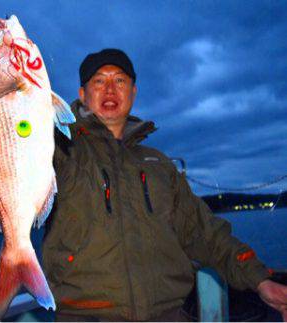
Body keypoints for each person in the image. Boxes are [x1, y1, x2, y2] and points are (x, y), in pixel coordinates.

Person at [42, 48, 287, 321]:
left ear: (133, 92)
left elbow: (206, 234)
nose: (110, 89)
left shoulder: (158, 163)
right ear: (82, 94)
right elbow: (12, 142)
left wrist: (260, 279)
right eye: (99, 81)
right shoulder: (58, 148)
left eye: (120, 81)